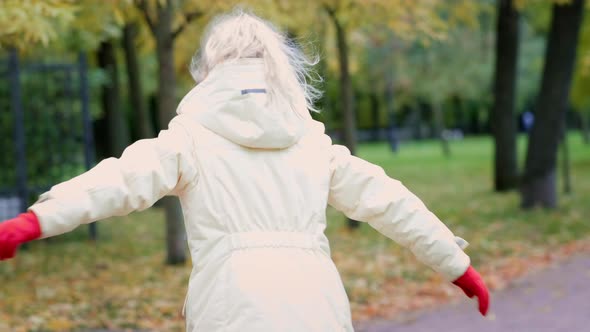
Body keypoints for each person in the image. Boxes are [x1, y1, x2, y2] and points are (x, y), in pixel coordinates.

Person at [0, 9, 489, 332]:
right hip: (317, 307)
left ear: (208, 68)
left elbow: (117, 181)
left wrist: (33, 222)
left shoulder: (188, 140)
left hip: (230, 310)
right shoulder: (313, 143)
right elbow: (391, 202)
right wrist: (458, 267)